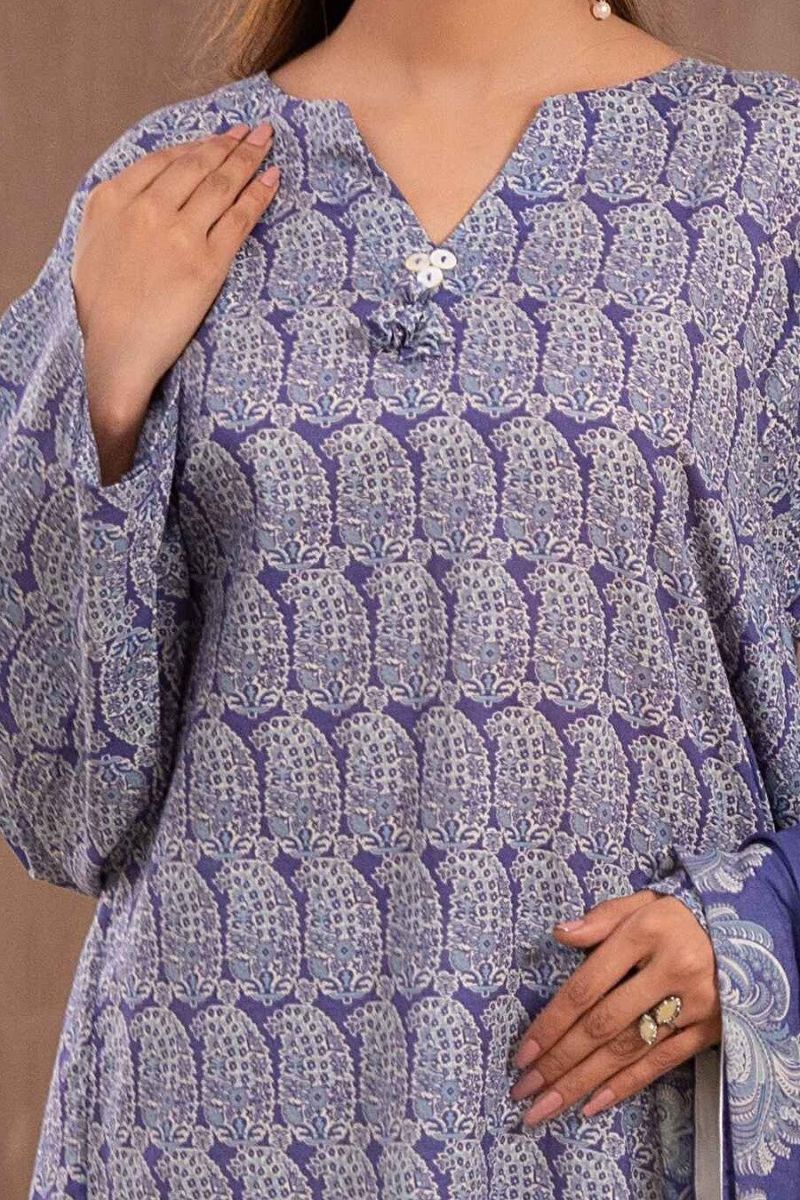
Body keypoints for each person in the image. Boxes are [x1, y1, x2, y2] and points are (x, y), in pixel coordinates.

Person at [1, 0, 799, 1196]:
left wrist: (754, 923)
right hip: (198, 1125)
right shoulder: (164, 184)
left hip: (598, 1123)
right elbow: (57, 808)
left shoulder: (763, 177)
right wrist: (101, 401)